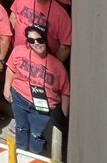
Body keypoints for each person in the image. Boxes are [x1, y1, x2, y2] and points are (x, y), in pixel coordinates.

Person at [4, 25, 70, 155]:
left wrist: (63, 115)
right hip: (19, 98)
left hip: (43, 107)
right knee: (21, 128)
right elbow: (10, 68)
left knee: (36, 135)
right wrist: (6, 88)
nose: (36, 43)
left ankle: (33, 159)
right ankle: (21, 154)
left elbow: (65, 92)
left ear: (45, 40)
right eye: (31, 40)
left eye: (39, 40)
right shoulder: (19, 51)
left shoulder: (57, 65)